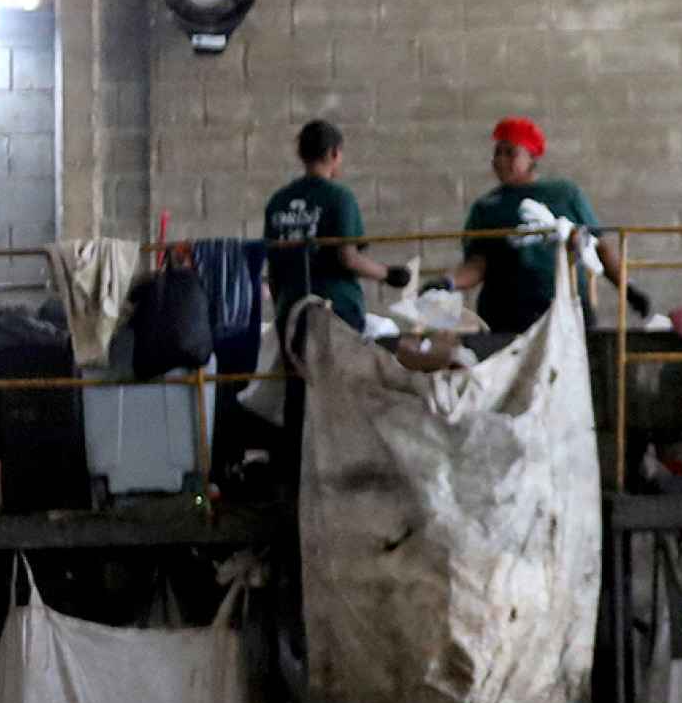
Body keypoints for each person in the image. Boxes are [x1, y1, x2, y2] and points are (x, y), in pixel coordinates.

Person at [263, 120, 409, 486]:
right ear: (334, 153)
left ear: (301, 153)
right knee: (340, 391)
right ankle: (341, 478)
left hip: (291, 313)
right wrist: (389, 274)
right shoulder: (338, 198)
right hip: (334, 311)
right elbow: (348, 257)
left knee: (299, 391)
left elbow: (273, 269)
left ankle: (294, 481)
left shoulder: (277, 203)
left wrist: (282, 310)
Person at [426, 117, 640, 334]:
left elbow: (600, 248)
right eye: (497, 153)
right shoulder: (486, 208)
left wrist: (628, 289)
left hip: (565, 310)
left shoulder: (564, 194)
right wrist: (447, 282)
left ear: (531, 157)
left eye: (510, 153)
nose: (500, 160)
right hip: (507, 314)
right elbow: (478, 264)